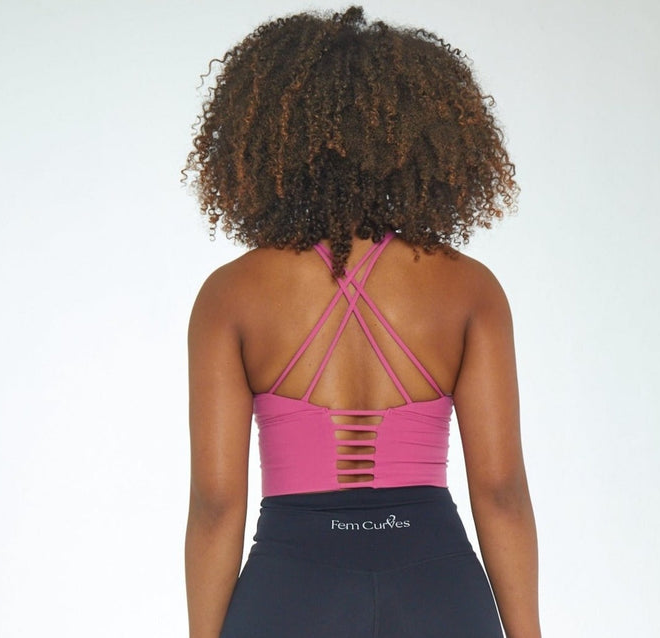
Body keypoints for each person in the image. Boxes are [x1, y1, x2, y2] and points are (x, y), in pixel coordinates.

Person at [183, 6, 540, 637]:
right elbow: (501, 491)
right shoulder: (469, 289)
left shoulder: (231, 295)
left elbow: (216, 506)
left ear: (269, 137)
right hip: (437, 588)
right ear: (419, 135)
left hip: (290, 591)